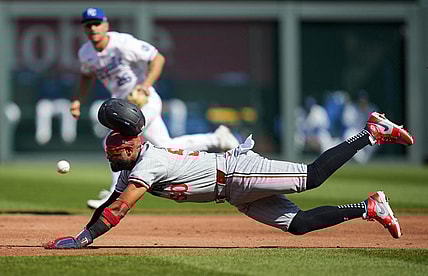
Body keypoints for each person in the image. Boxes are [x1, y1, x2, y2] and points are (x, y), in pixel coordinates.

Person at [44, 108, 414, 249]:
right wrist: (83, 235)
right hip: (234, 193)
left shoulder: (146, 164)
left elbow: (120, 208)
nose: (111, 155)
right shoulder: (135, 165)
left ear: (130, 146)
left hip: (238, 171)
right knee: (298, 224)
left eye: (114, 151)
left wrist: (83, 243)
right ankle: (369, 208)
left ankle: (371, 131)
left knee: (313, 176)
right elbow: (111, 202)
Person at [71, 7, 239, 209]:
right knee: (166, 148)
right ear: (85, 29)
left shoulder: (123, 44)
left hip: (143, 102)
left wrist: (145, 85)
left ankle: (114, 194)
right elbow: (86, 76)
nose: (93, 29)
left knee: (113, 140)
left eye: (97, 24)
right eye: (89, 25)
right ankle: (217, 138)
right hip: (123, 103)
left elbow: (157, 58)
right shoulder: (86, 53)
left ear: (106, 25)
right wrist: (78, 100)